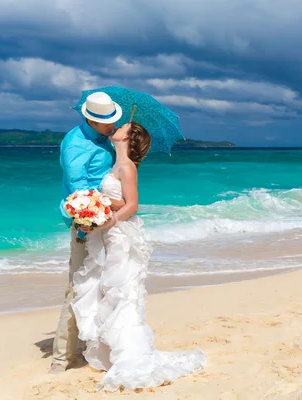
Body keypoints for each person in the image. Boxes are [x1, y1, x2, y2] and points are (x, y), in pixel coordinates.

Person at [70, 121, 206, 391]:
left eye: (123, 127)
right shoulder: (116, 164)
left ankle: (130, 355)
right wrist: (98, 209)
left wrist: (105, 222)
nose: (116, 128)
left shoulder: (127, 166)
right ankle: (115, 351)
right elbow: (119, 199)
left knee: (122, 291)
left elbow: (133, 205)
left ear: (127, 137)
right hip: (111, 234)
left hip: (121, 236)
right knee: (111, 291)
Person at [50, 92, 125, 374]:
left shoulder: (104, 139)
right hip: (87, 221)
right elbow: (80, 191)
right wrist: (118, 204)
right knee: (78, 285)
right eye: (108, 122)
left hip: (107, 220)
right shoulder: (76, 146)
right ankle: (61, 358)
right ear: (92, 120)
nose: (112, 126)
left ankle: (93, 345)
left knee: (106, 284)